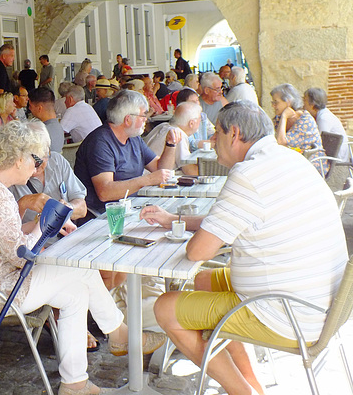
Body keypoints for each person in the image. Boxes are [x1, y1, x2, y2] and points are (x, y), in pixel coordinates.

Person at [144, 101, 348, 395]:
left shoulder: (248, 175)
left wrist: (186, 232)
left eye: (216, 133)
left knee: (166, 308)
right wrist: (174, 220)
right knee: (202, 280)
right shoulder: (289, 159)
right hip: (319, 304)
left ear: (234, 134)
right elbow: (233, 219)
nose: (212, 141)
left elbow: (197, 252)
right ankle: (253, 384)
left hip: (286, 314)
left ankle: (244, 392)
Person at [0, 120, 162, 395]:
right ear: (18, 158)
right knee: (77, 270)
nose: (38, 168)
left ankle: (76, 382)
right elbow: (20, 256)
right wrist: (44, 224)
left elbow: (0, 236)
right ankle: (116, 334)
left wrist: (42, 223)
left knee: (74, 291)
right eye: (35, 160)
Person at [74, 89, 180, 215]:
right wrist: (147, 180)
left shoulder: (133, 138)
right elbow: (105, 192)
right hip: (103, 215)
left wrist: (170, 145)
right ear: (128, 119)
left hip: (131, 207)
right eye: (143, 115)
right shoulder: (100, 142)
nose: (146, 119)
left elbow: (160, 169)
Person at [10, 121, 87, 225]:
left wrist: (67, 208)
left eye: (40, 159)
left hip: (67, 235)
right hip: (35, 240)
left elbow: (82, 208)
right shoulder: (12, 177)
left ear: (48, 152)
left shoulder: (57, 161)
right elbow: (8, 229)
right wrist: (23, 204)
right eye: (32, 160)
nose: (35, 168)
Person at [271, 83, 326, 173]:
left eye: (276, 102)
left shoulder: (304, 120)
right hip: (295, 162)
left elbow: (280, 142)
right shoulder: (278, 118)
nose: (273, 105)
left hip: (312, 166)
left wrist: (284, 116)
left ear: (288, 102)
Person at [144, 102, 202, 175]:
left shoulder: (163, 126)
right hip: (154, 177)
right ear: (191, 123)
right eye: (200, 118)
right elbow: (189, 170)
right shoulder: (178, 134)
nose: (201, 121)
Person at [304, 87, 350, 162]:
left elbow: (319, 143)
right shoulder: (321, 115)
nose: (303, 105)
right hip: (331, 156)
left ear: (312, 104)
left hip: (335, 160)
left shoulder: (323, 118)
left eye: (305, 100)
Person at [28, 87, 64, 153]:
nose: (29, 109)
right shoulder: (59, 127)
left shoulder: (41, 133)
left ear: (39, 108)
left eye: (30, 106)